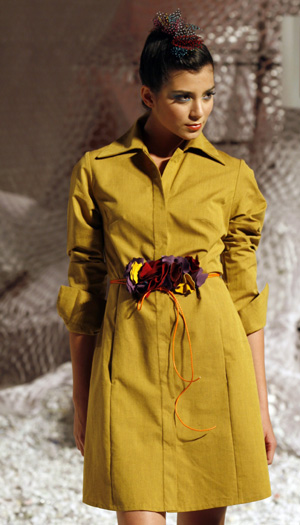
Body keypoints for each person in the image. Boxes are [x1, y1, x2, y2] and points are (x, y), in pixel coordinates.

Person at [57, 9, 277, 525]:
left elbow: (244, 299)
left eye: (209, 94)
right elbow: (84, 293)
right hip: (127, 368)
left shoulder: (233, 177)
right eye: (182, 96)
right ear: (148, 95)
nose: (198, 110)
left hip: (211, 368)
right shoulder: (97, 171)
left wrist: (260, 408)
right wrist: (82, 398)